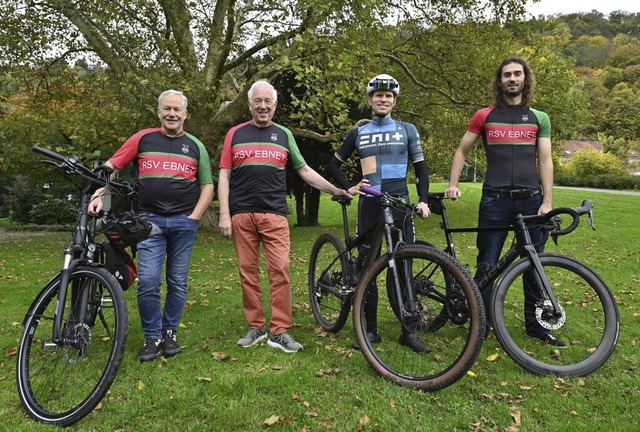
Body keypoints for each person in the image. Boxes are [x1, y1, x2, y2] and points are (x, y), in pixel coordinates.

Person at [218, 80, 350, 353]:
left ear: (275, 106)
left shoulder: (284, 134)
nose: (263, 106)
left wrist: (335, 189)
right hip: (242, 214)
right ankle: (255, 327)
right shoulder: (235, 133)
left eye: (268, 101)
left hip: (275, 215)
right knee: (248, 274)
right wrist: (224, 213)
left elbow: (304, 170)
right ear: (250, 104)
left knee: (280, 271)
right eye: (258, 101)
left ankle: (279, 331)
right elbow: (224, 174)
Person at [444, 57, 565, 347]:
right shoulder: (484, 115)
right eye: (507, 75)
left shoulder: (540, 117)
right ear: (500, 81)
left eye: (517, 74)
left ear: (526, 79)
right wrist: (452, 184)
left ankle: (535, 326)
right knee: (487, 263)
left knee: (533, 265)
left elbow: (545, 160)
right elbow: (462, 151)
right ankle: (481, 323)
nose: (512, 79)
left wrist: (547, 201)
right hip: (494, 200)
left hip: (531, 200)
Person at [89, 90, 215, 361]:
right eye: (167, 109)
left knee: (178, 282)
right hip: (149, 223)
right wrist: (100, 192)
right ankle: (152, 336)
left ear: (185, 114)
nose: (172, 114)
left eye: (177, 110)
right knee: (148, 282)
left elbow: (207, 185)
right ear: (159, 112)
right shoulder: (142, 138)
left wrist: (195, 216)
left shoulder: (195, 145)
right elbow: (112, 167)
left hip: (185, 222)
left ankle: (170, 332)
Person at [326, 74, 432, 353]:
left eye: (388, 96)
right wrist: (349, 187)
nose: (383, 99)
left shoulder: (407, 129)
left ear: (394, 101)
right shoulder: (358, 132)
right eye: (378, 95)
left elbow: (420, 169)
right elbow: (333, 164)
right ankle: (370, 331)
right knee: (366, 266)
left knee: (405, 262)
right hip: (370, 201)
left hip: (399, 201)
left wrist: (422, 201)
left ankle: (408, 331)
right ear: (370, 100)